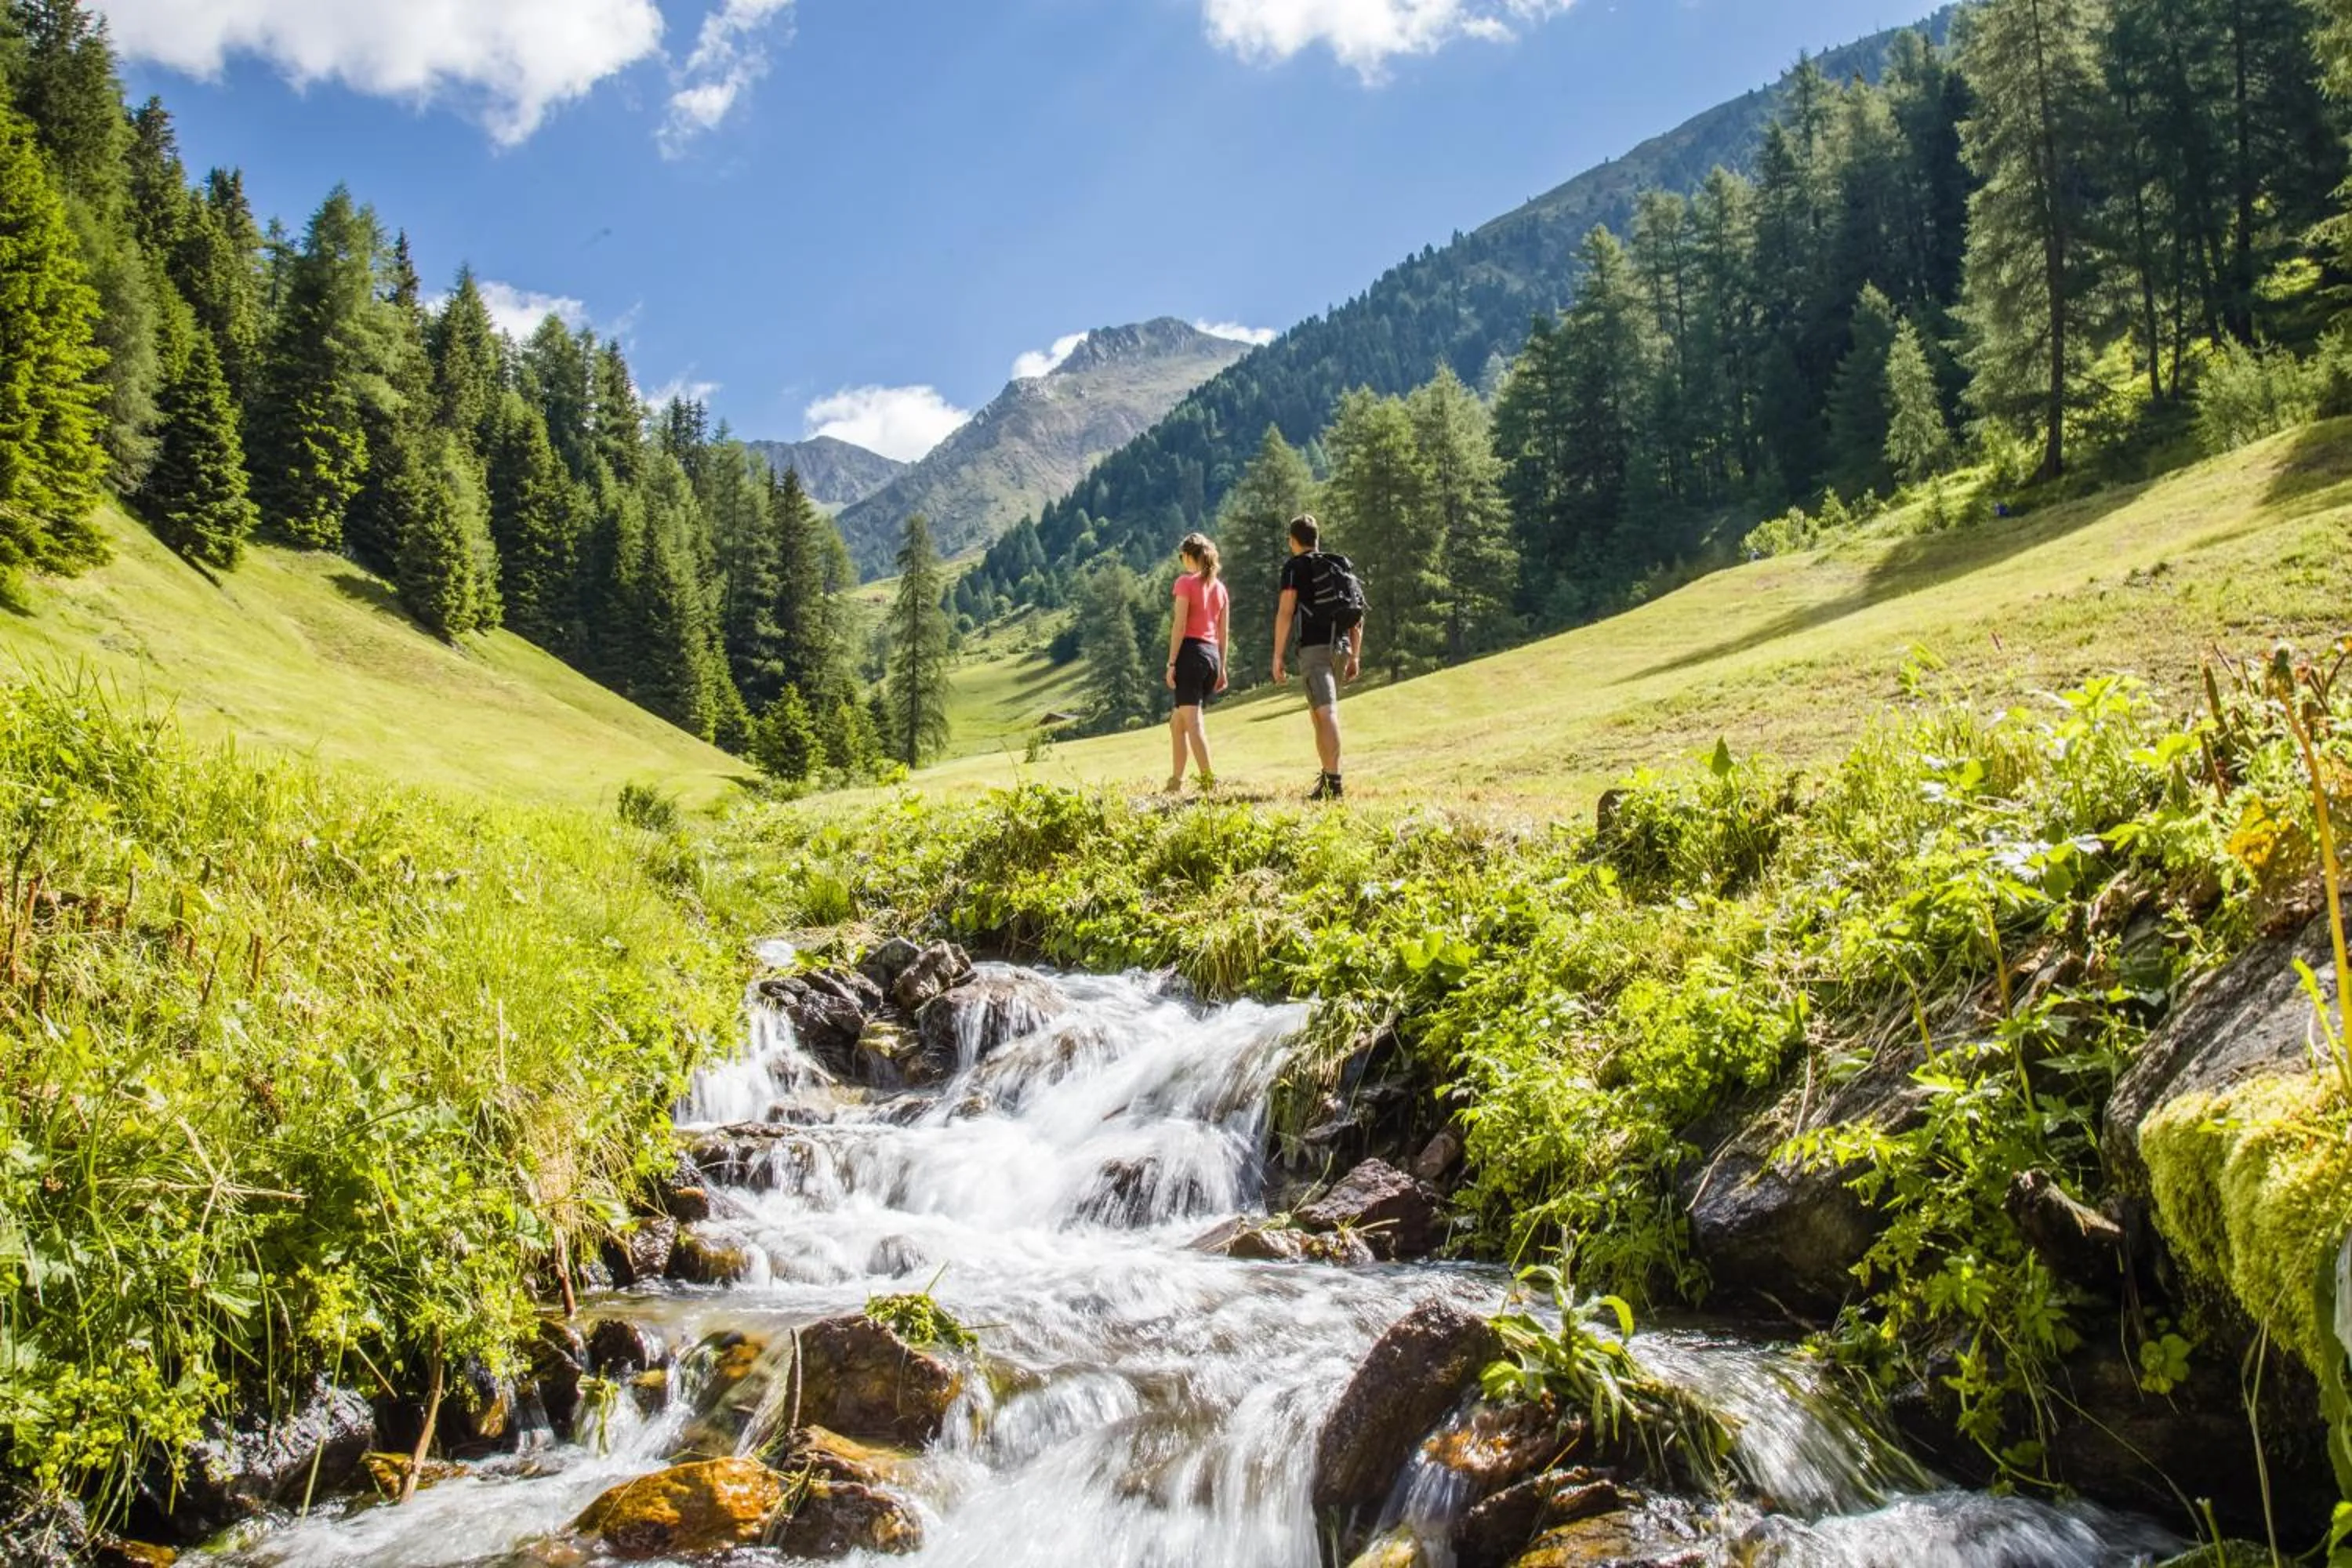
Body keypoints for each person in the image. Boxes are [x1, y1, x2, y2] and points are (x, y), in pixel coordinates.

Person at [1271, 514, 1362, 800]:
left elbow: (1286, 612)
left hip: (1313, 649)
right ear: (1317, 538)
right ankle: (1327, 777)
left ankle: (1334, 783)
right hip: (1341, 647)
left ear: (1292, 541)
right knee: (1319, 713)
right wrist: (1355, 655)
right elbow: (1357, 614)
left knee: (1325, 713)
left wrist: (1277, 656)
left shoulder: (1294, 568)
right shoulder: (1339, 565)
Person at [1163, 532, 1229, 793]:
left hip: (1190, 655)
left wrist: (1171, 663)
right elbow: (1223, 632)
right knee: (1177, 722)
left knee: (1193, 722)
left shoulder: (1185, 583)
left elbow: (1179, 626)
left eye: (1182, 556)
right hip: (1211, 656)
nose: (1182, 561)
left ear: (1189, 556)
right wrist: (1222, 667)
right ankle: (1176, 782)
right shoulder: (1220, 588)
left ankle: (1209, 782)